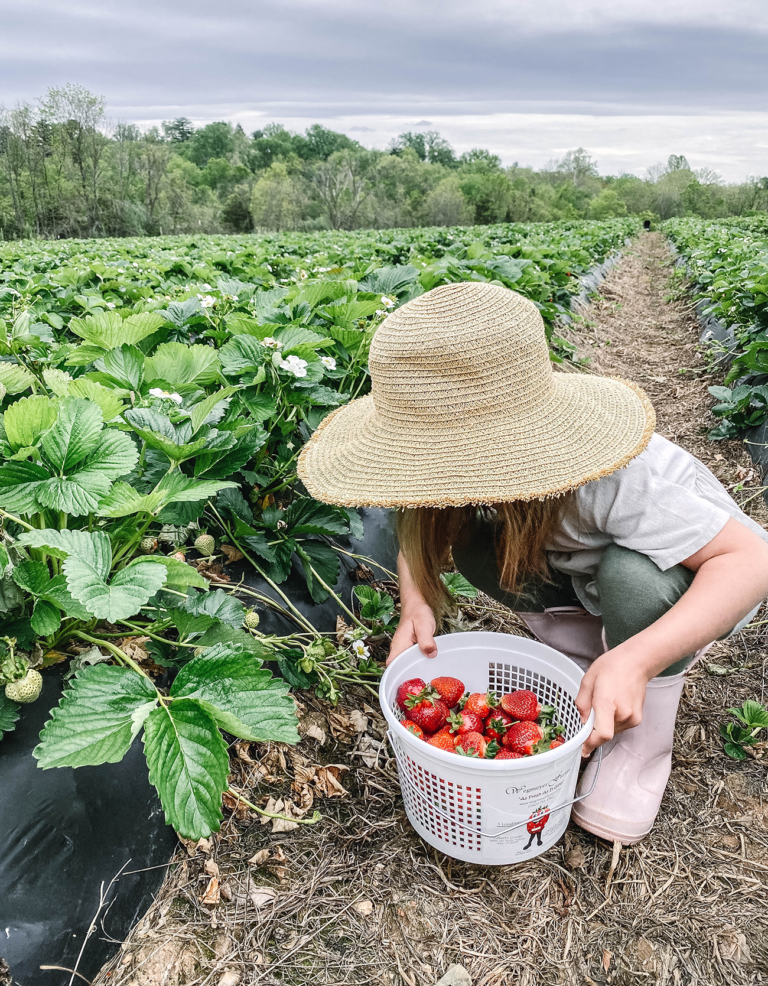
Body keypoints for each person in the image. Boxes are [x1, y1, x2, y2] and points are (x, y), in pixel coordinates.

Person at [298, 282, 768, 844]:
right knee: (473, 540)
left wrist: (638, 660)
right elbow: (417, 518)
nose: (432, 480)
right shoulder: (464, 485)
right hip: (580, 570)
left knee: (633, 579)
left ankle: (643, 742)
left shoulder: (616, 481)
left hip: (692, 584)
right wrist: (414, 601)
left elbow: (751, 561)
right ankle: (584, 659)